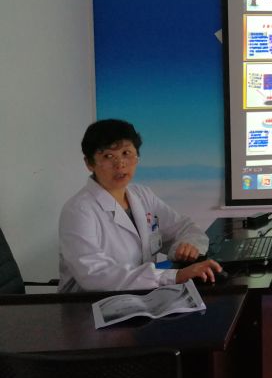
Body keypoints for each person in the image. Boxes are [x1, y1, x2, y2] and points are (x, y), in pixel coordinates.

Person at [58, 119, 222, 292]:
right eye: (108, 156)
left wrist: (187, 246)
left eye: (126, 153)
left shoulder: (142, 195)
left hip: (141, 296)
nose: (120, 164)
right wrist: (173, 276)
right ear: (89, 163)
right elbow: (94, 275)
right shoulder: (78, 211)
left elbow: (185, 227)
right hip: (88, 303)